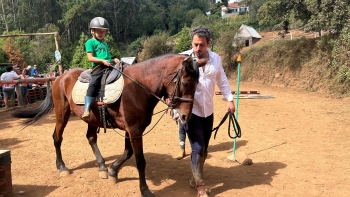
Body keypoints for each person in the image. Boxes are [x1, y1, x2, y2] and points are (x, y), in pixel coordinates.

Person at [177, 26, 235, 197]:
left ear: (208, 43)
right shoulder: (183, 59)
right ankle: (200, 187)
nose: (198, 49)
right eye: (195, 45)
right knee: (197, 146)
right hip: (190, 109)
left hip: (208, 110)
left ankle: (194, 178)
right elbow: (173, 84)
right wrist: (174, 106)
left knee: (205, 149)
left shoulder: (216, 59)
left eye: (201, 45)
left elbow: (222, 80)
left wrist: (229, 99)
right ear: (192, 43)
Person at [82, 17, 119, 118]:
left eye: (104, 31)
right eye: (99, 31)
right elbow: (90, 58)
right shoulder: (90, 42)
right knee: (94, 82)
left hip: (108, 66)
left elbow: (107, 58)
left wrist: (113, 60)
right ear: (92, 31)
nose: (102, 33)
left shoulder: (104, 44)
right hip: (98, 67)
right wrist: (102, 61)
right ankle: (87, 109)